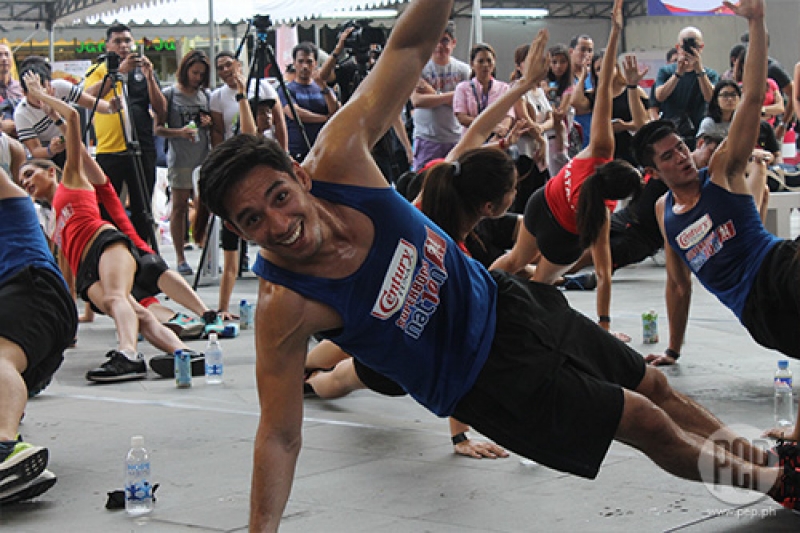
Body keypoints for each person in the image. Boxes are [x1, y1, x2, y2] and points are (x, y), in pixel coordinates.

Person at [199, 1, 800, 529]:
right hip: (488, 380)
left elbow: (408, 46)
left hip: (510, 303)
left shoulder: (340, 156)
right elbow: (279, 435)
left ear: (299, 176)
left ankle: (772, 463)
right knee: (644, 420)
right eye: (253, 220)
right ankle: (779, 484)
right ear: (237, 231)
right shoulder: (284, 305)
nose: (278, 223)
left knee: (654, 385)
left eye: (279, 197)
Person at [631, 2, 800, 444]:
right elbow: (678, 284)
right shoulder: (664, 213)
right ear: (653, 171)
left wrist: (756, 21)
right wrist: (673, 348)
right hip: (756, 311)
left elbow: (750, 101)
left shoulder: (722, 170)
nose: (682, 157)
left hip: (779, 266)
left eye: (681, 147)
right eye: (669, 156)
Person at [22, 70, 201, 383]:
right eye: (21, 179)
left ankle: (128, 354)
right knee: (138, 313)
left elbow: (74, 122)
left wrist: (42, 99)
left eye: (29, 174)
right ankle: (183, 353)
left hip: (105, 243)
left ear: (50, 172)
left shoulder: (71, 180)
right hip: (87, 271)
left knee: (119, 297)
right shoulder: (49, 219)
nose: (25, 182)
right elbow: (65, 267)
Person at [490, 9, 642, 342]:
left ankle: (480, 294)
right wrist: (604, 328)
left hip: (540, 204)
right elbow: (603, 274)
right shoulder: (600, 215)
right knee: (540, 285)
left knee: (514, 260)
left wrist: (614, 33)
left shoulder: (598, 150)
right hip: (562, 238)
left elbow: (603, 90)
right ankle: (514, 330)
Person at [0, 163, 76, 504]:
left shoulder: (10, 198)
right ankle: (13, 467)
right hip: (35, 318)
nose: (27, 181)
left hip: (33, 289)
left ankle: (4, 448)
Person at [206, 51, 287, 320]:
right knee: (231, 256)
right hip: (237, 194)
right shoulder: (245, 143)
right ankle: (223, 307)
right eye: (261, 112)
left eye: (268, 110)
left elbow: (279, 125)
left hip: (260, 196)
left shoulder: (268, 152)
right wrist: (242, 96)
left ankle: (276, 307)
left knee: (272, 255)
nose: (268, 116)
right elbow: (248, 132)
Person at [84, 24, 167, 248]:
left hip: (142, 146)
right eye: (118, 41)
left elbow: (161, 109)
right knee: (107, 208)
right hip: (110, 149)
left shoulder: (142, 70)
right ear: (107, 45)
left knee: (143, 208)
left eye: (127, 41)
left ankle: (144, 254)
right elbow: (87, 97)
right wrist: (118, 72)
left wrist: (150, 78)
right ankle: (111, 252)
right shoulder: (99, 70)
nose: (124, 46)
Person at [155, 50, 212, 275]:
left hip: (202, 157)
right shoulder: (170, 94)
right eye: (194, 72)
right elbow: (158, 129)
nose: (197, 77)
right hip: (179, 158)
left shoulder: (205, 95)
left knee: (203, 206)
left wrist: (207, 123)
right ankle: (180, 257)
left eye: (201, 74)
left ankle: (205, 251)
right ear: (185, 70)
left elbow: (213, 127)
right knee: (179, 207)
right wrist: (179, 132)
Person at [15, 61, 117, 168]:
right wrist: (51, 150)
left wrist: (110, 107)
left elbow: (90, 102)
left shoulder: (60, 87)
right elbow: (35, 150)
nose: (41, 97)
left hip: (71, 139)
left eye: (43, 89)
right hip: (48, 154)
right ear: (24, 93)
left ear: (49, 84)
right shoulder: (21, 114)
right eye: (35, 94)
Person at [410, 21, 470, 170]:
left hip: (456, 138)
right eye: (435, 41)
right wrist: (454, 95)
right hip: (427, 138)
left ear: (453, 43)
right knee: (424, 179)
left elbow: (465, 105)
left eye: (445, 40)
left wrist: (432, 94)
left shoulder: (464, 70)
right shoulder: (420, 68)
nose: (439, 46)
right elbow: (417, 101)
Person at [651, 26, 719, 150]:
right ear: (678, 47)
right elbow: (659, 96)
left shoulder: (710, 74)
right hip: (672, 132)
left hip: (700, 133)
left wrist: (699, 70)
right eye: (685, 46)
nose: (689, 50)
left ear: (701, 47)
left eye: (694, 46)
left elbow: (711, 98)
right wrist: (678, 73)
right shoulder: (666, 71)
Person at [279, 42, 340, 162]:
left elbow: (337, 111)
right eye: (301, 61)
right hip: (298, 152)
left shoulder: (324, 89)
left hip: (323, 149)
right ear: (294, 63)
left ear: (315, 64)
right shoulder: (286, 89)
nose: (305, 66)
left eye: (309, 62)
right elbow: (294, 113)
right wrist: (325, 118)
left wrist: (324, 87)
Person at [452, 43, 513, 137]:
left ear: (494, 62)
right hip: (470, 139)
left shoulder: (504, 88)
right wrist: (490, 127)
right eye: (481, 61)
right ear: (472, 64)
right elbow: (462, 118)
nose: (485, 65)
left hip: (496, 139)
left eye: (489, 60)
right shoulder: (462, 88)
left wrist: (502, 130)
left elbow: (508, 115)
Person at [569, 33, 595, 148]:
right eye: (582, 49)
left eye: (590, 50)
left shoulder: (594, 77)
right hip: (572, 137)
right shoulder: (565, 78)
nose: (586, 54)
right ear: (571, 51)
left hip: (592, 135)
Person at [0, 43, 23, 137]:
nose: (4, 58)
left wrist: (14, 126)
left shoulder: (21, 87)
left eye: (7, 54)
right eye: (0, 55)